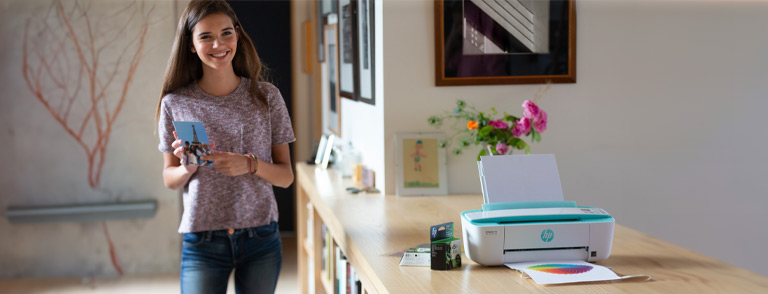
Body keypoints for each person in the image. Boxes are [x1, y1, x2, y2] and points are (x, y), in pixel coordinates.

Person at [154, 0, 295, 293]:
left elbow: (286, 177)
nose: (218, 44)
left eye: (226, 33)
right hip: (202, 238)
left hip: (260, 235)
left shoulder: (267, 97)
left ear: (238, 35)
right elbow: (169, 179)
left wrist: (250, 164)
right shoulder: (175, 103)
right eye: (205, 36)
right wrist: (187, 168)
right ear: (192, 45)